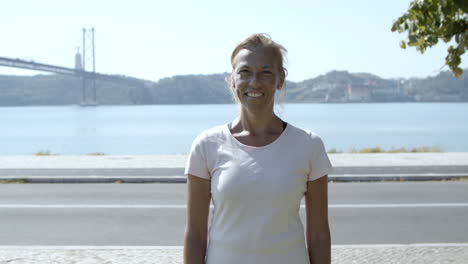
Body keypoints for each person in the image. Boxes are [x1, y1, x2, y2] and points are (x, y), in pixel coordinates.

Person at [184, 33, 333, 264]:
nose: (254, 82)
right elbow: (195, 236)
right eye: (245, 72)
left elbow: (319, 236)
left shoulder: (309, 145)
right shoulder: (206, 145)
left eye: (266, 72)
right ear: (232, 79)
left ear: (280, 79)